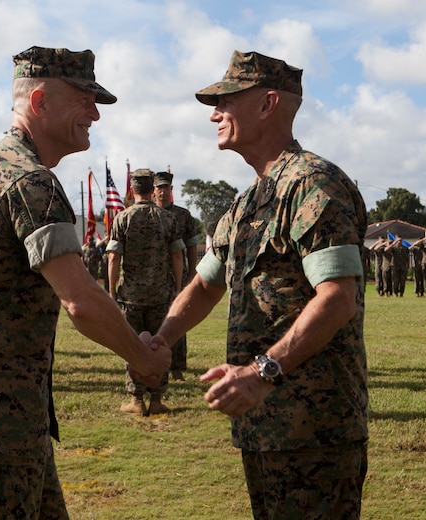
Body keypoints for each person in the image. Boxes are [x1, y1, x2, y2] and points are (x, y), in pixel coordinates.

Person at [0, 46, 171, 518]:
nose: (95, 114)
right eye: (83, 99)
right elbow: (79, 298)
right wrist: (142, 357)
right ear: (39, 103)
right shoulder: (30, 183)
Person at [154, 50, 368, 519]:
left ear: (268, 103)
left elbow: (339, 298)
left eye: (227, 100)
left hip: (315, 429)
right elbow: (207, 283)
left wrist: (261, 372)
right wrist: (160, 342)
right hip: (264, 426)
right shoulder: (248, 200)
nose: (215, 113)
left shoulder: (314, 184)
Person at [108, 168, 184, 415]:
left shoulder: (123, 218)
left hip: (131, 296)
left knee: (133, 346)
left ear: (132, 189)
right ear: (153, 189)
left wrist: (111, 292)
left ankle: (136, 400)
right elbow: (177, 255)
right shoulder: (167, 218)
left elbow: (113, 259)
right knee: (159, 345)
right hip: (161, 295)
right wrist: (178, 287)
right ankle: (157, 399)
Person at [153, 170, 200, 380]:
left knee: (177, 318)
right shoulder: (147, 213)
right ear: (153, 191)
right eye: (159, 187)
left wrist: (191, 274)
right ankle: (153, 362)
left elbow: (192, 246)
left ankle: (177, 366)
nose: (162, 192)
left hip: (176, 278)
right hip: (152, 278)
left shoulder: (183, 215)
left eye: (166, 188)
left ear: (172, 190)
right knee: (152, 321)